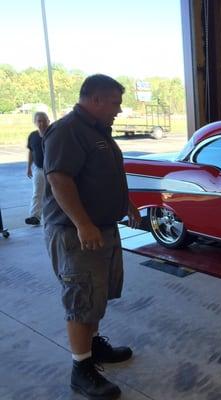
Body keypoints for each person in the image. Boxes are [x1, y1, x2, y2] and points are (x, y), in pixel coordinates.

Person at [42, 74, 141, 400]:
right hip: (76, 234)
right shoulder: (68, 130)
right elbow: (59, 179)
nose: (119, 109)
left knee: (97, 296)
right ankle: (81, 369)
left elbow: (101, 177)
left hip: (101, 229)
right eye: (115, 103)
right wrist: (83, 224)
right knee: (81, 298)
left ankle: (93, 348)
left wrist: (125, 203)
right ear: (96, 100)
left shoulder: (96, 131)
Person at [25, 111, 50, 225]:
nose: (42, 123)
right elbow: (31, 151)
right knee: (37, 192)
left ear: (48, 121)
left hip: (54, 170)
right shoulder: (33, 136)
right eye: (39, 121)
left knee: (56, 193)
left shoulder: (54, 134)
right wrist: (29, 167)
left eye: (44, 120)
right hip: (38, 169)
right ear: (35, 122)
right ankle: (35, 216)